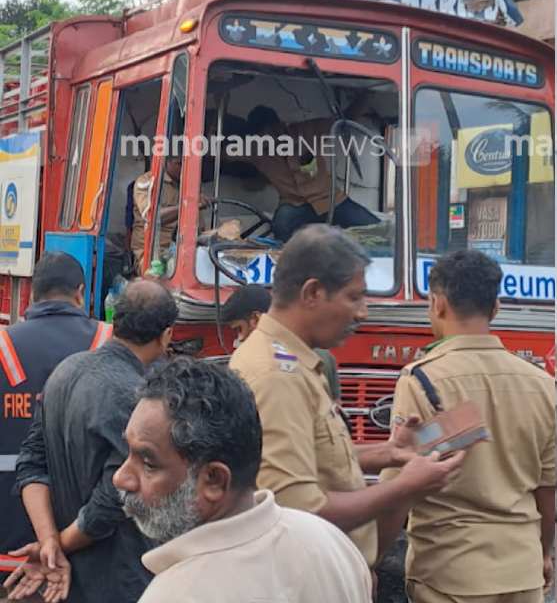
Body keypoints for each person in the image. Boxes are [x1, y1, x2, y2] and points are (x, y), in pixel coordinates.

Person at [228, 225, 465, 573]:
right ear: (312, 293)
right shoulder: (277, 376)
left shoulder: (294, 361)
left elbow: (309, 457)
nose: (362, 313)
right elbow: (297, 510)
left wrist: (386, 453)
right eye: (354, 297)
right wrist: (404, 487)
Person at [113, 356, 373, 603]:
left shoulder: (176, 595)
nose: (120, 478)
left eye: (148, 463)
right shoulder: (329, 543)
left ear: (214, 480)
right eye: (129, 453)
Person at [383, 250, 556, 603]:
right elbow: (547, 488)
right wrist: (544, 553)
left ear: (438, 304)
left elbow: (399, 486)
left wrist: (371, 556)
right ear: (495, 308)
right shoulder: (541, 383)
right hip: (522, 574)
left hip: (450, 575)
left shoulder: (421, 380)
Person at [8, 280, 178, 603]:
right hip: (119, 578)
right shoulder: (138, 397)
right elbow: (114, 497)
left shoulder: (64, 371)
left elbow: (30, 463)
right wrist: (57, 544)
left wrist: (49, 542)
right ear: (166, 335)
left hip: (67, 580)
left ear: (116, 319)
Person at [0, 254, 112, 557]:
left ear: (33, 294)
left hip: (10, 535)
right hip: (89, 537)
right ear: (80, 293)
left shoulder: (4, 346)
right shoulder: (110, 344)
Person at [241, 105, 380, 242]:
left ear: (279, 125)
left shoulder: (308, 130)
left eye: (272, 133)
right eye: (263, 137)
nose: (271, 140)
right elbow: (228, 151)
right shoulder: (255, 150)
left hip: (330, 200)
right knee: (281, 229)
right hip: (293, 205)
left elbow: (343, 121)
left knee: (376, 230)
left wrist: (364, 97)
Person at [219, 284, 340, 401]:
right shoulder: (323, 355)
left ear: (256, 319)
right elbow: (335, 407)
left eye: (239, 329)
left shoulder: (256, 364)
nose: (238, 340)